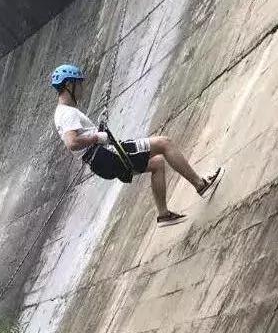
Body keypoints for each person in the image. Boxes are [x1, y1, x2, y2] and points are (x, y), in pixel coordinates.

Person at [50, 64, 221, 227]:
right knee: (164, 143)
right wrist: (97, 137)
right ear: (69, 85)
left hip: (103, 161)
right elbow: (72, 143)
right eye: (79, 84)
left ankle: (164, 215)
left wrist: (97, 130)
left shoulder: (62, 112)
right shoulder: (67, 113)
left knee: (157, 163)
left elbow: (79, 138)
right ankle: (201, 185)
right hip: (108, 155)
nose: (82, 88)